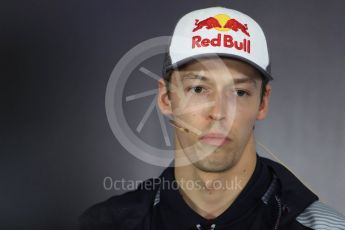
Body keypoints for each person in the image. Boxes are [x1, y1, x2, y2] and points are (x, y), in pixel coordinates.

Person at [79, 6, 345, 230]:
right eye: (198, 89)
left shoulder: (323, 227)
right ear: (165, 98)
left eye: (239, 92)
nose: (219, 113)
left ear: (262, 102)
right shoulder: (107, 223)